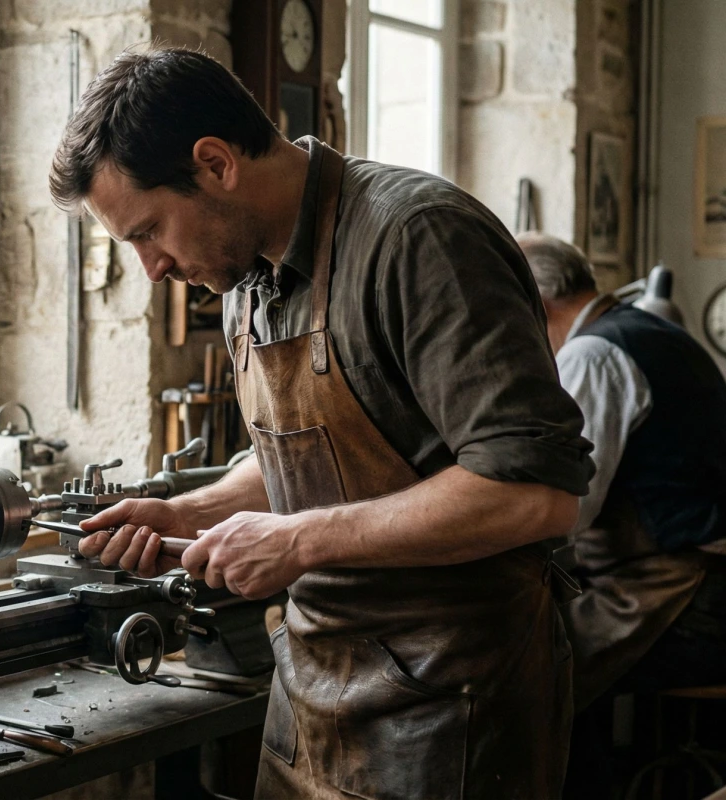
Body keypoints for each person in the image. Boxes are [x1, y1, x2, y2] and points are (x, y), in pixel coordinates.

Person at [49, 47, 594, 798]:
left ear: (214, 164)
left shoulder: (418, 239)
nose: (153, 268)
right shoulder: (246, 278)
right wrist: (191, 510)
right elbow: (305, 459)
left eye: (149, 231)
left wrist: (300, 539)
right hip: (311, 693)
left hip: (452, 704)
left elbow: (534, 495)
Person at [518, 233, 726, 796]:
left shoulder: (593, 354)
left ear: (532, 303)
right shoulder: (654, 332)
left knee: (529, 667)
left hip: (686, 597)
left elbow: (567, 510)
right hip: (699, 587)